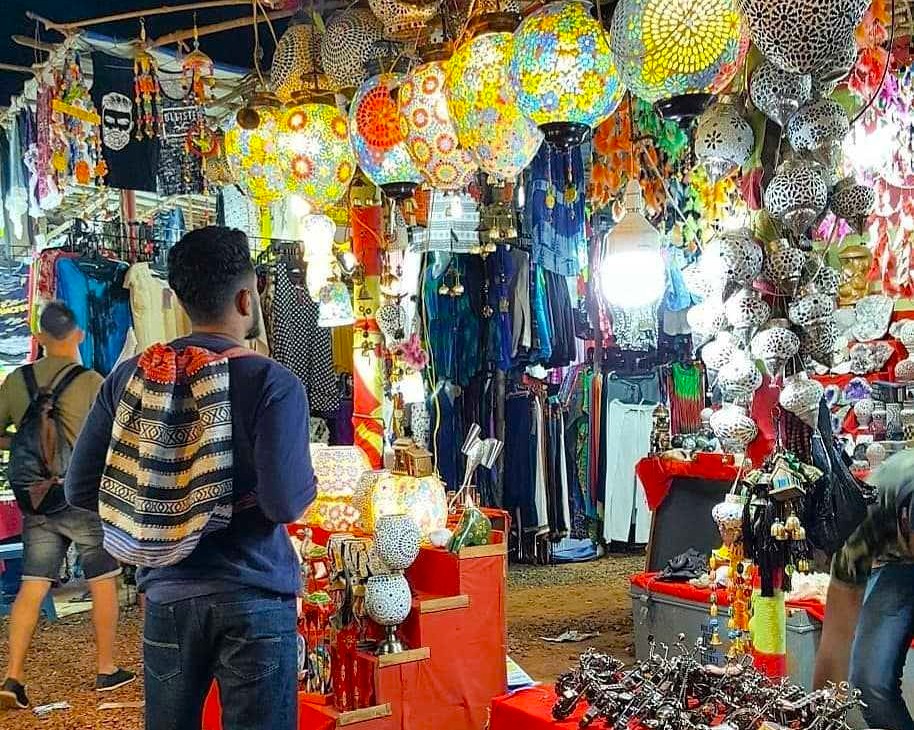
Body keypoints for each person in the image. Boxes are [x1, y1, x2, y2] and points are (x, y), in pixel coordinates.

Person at [66, 226, 316, 730]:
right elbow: (285, 502)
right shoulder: (271, 382)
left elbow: (79, 486)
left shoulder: (132, 376)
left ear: (178, 299)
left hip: (169, 593)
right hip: (254, 594)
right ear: (247, 298)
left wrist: (158, 510)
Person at [0, 302, 134, 711]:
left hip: (36, 497)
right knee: (102, 578)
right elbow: (115, 439)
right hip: (79, 497)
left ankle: (13, 677)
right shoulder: (92, 380)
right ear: (78, 335)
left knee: (33, 583)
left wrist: (23, 448)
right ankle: (107, 668)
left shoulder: (16, 381)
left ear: (39, 339)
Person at [813, 450, 914, 730]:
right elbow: (837, 630)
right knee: (870, 681)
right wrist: (821, 714)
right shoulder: (871, 511)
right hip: (899, 568)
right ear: (903, 520)